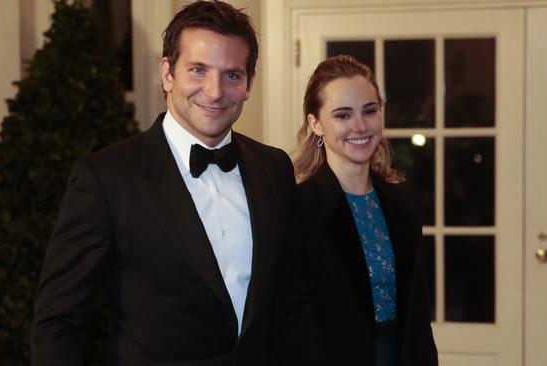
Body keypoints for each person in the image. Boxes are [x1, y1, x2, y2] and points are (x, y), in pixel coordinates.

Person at [31, 1, 319, 365]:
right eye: (198, 70)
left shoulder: (274, 168)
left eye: (231, 75)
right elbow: (58, 322)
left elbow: (291, 305)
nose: (214, 91)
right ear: (167, 73)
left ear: (249, 84)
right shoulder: (107, 177)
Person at [292, 55, 438, 366]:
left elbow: (418, 314)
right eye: (342, 115)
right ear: (315, 124)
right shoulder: (298, 207)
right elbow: (292, 319)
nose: (360, 126)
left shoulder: (404, 202)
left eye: (369, 111)